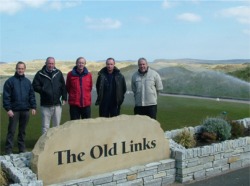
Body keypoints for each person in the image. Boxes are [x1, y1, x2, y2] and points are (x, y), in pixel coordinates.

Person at [3, 61, 36, 154]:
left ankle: (22, 149)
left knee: (22, 131)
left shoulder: (27, 82)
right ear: (16, 69)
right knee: (11, 131)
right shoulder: (10, 81)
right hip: (14, 111)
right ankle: (8, 150)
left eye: (22, 68)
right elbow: (6, 96)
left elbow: (31, 95)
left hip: (25, 110)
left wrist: (33, 107)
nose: (20, 70)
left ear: (24, 69)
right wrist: (8, 109)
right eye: (19, 68)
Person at [32, 57, 67, 134]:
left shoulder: (58, 73)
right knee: (45, 126)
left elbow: (63, 86)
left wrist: (64, 98)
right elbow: (34, 86)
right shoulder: (40, 74)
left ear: (54, 64)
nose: (51, 65)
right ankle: (44, 143)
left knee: (57, 125)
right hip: (45, 105)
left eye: (52, 63)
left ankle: (55, 142)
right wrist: (43, 90)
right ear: (46, 63)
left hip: (57, 104)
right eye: (49, 63)